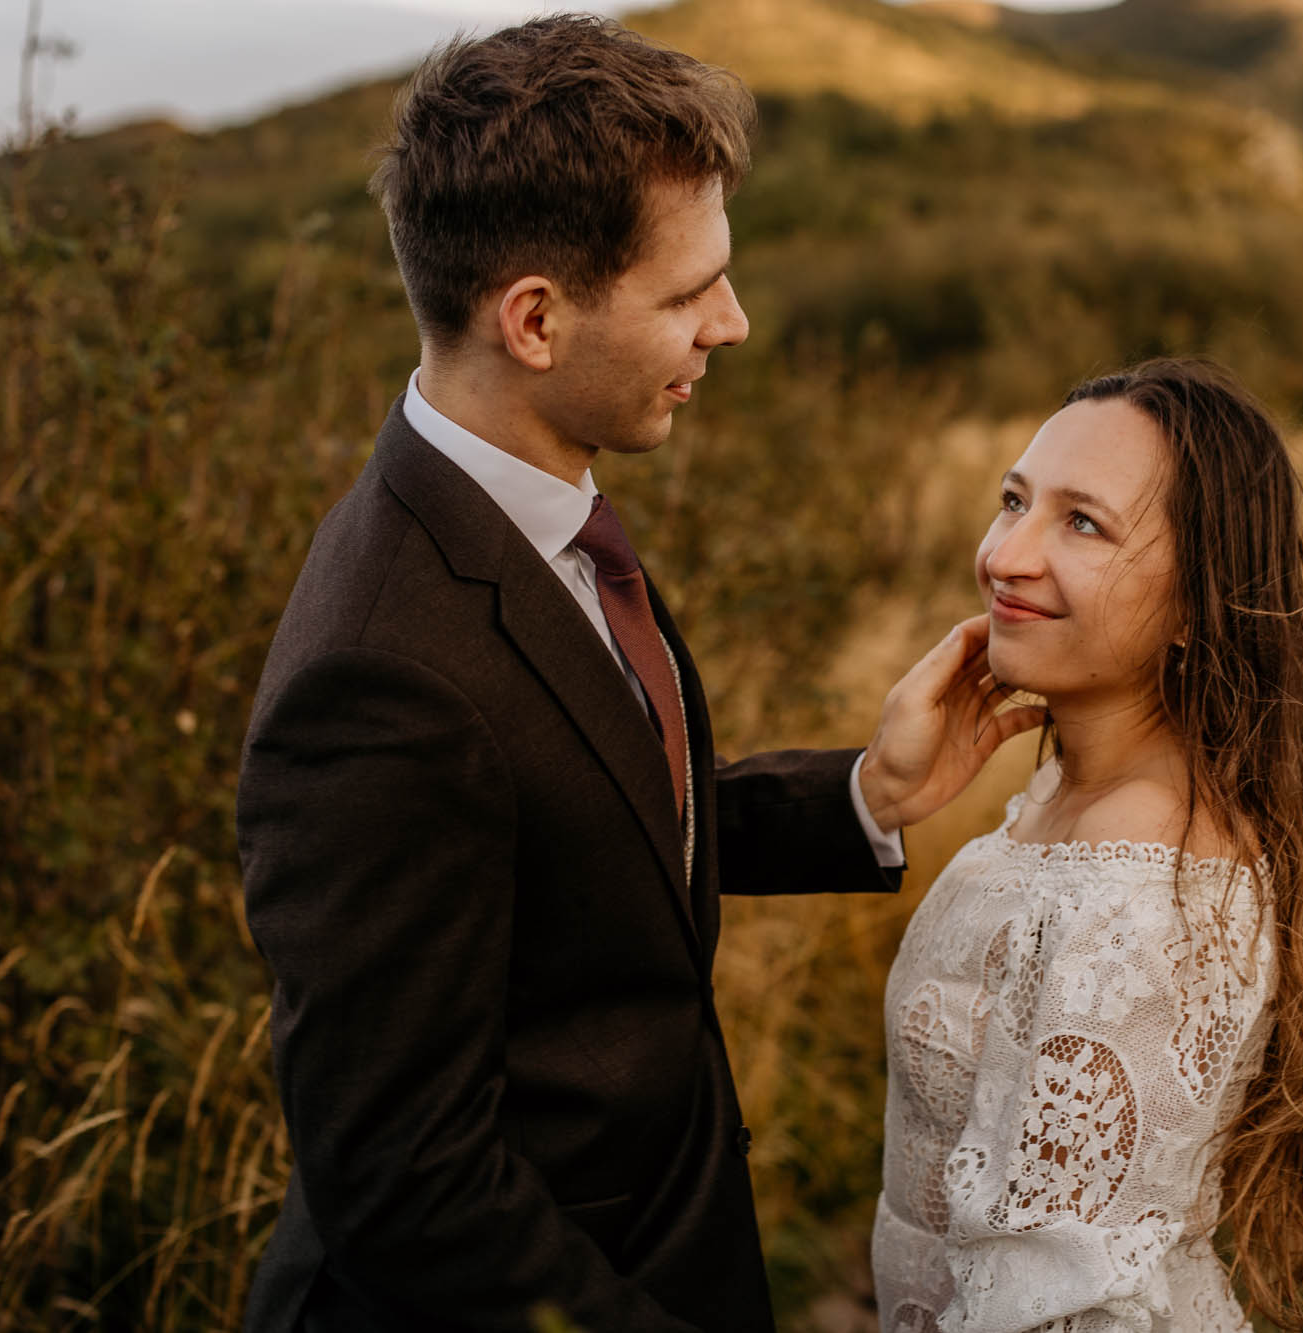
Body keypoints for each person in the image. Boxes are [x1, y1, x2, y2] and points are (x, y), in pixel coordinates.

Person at [236, 16, 1042, 1333]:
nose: (733, 323)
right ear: (535, 321)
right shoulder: (377, 678)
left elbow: (584, 824)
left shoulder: (527, 512)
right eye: (687, 294)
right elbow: (406, 1187)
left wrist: (863, 795)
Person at [872, 359, 1303, 1333]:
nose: (1006, 555)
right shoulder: (1066, 796)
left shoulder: (1141, 891)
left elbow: (1058, 1306)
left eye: (1082, 523)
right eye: (1013, 501)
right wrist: (875, 791)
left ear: (1196, 600)